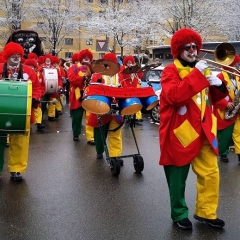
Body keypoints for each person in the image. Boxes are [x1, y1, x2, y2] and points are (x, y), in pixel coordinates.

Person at [159, 28, 227, 230]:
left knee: (211, 174)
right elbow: (174, 96)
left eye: (194, 47)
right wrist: (198, 75)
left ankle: (206, 212)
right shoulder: (170, 71)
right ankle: (179, 213)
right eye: (187, 47)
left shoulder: (203, 68)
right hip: (182, 132)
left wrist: (219, 86)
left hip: (205, 130)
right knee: (178, 177)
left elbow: (209, 99)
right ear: (178, 50)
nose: (192, 50)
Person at [0, 42, 41, 180]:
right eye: (13, 54)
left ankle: (16, 169)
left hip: (21, 113)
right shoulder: (0, 69)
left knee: (20, 141)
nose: (16, 57)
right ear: (7, 56)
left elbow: (37, 88)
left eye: (18, 54)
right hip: (1, 111)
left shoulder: (29, 71)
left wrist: (35, 98)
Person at [87, 53, 124, 160]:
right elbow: (92, 90)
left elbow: (124, 89)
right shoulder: (97, 75)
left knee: (115, 133)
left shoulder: (120, 75)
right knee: (99, 133)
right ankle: (99, 150)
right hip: (101, 108)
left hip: (116, 109)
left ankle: (115, 156)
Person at [214, 54, 240, 163]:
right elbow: (214, 94)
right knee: (224, 136)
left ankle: (239, 154)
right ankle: (223, 153)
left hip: (237, 111)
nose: (237, 65)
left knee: (238, 134)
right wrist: (225, 103)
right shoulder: (220, 76)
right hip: (225, 112)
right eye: (236, 63)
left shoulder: (238, 76)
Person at [67, 49, 92, 141]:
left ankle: (90, 137)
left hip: (89, 94)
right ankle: (76, 133)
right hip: (77, 95)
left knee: (90, 116)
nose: (86, 59)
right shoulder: (74, 67)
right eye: (84, 57)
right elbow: (72, 78)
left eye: (88, 58)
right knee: (77, 116)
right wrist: (83, 78)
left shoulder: (92, 68)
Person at [118, 55, 144, 122]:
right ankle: (125, 117)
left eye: (131, 61)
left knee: (136, 102)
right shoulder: (123, 68)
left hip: (134, 89)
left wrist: (138, 69)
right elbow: (120, 77)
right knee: (126, 103)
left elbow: (140, 76)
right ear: (126, 62)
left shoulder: (134, 69)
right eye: (128, 62)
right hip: (126, 89)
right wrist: (124, 86)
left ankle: (137, 117)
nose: (129, 63)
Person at [24, 58, 45, 131]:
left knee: (38, 109)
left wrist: (40, 93)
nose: (31, 67)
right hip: (26, 96)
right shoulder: (24, 74)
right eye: (29, 66)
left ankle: (39, 123)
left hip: (36, 95)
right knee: (27, 111)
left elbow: (42, 85)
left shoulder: (39, 75)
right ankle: (27, 125)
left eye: (32, 66)